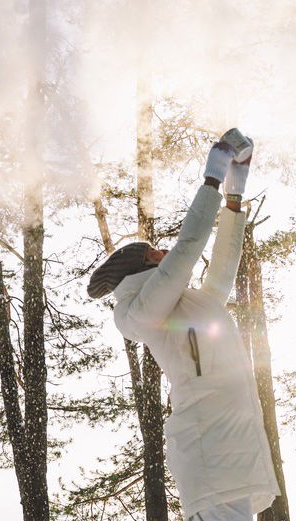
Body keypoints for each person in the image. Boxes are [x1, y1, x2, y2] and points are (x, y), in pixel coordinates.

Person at [87, 128, 279, 521]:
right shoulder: (143, 310)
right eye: (155, 252)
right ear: (142, 268)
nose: (164, 252)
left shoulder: (194, 303)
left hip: (234, 448)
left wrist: (234, 197)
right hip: (209, 449)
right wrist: (212, 177)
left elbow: (224, 265)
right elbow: (189, 247)